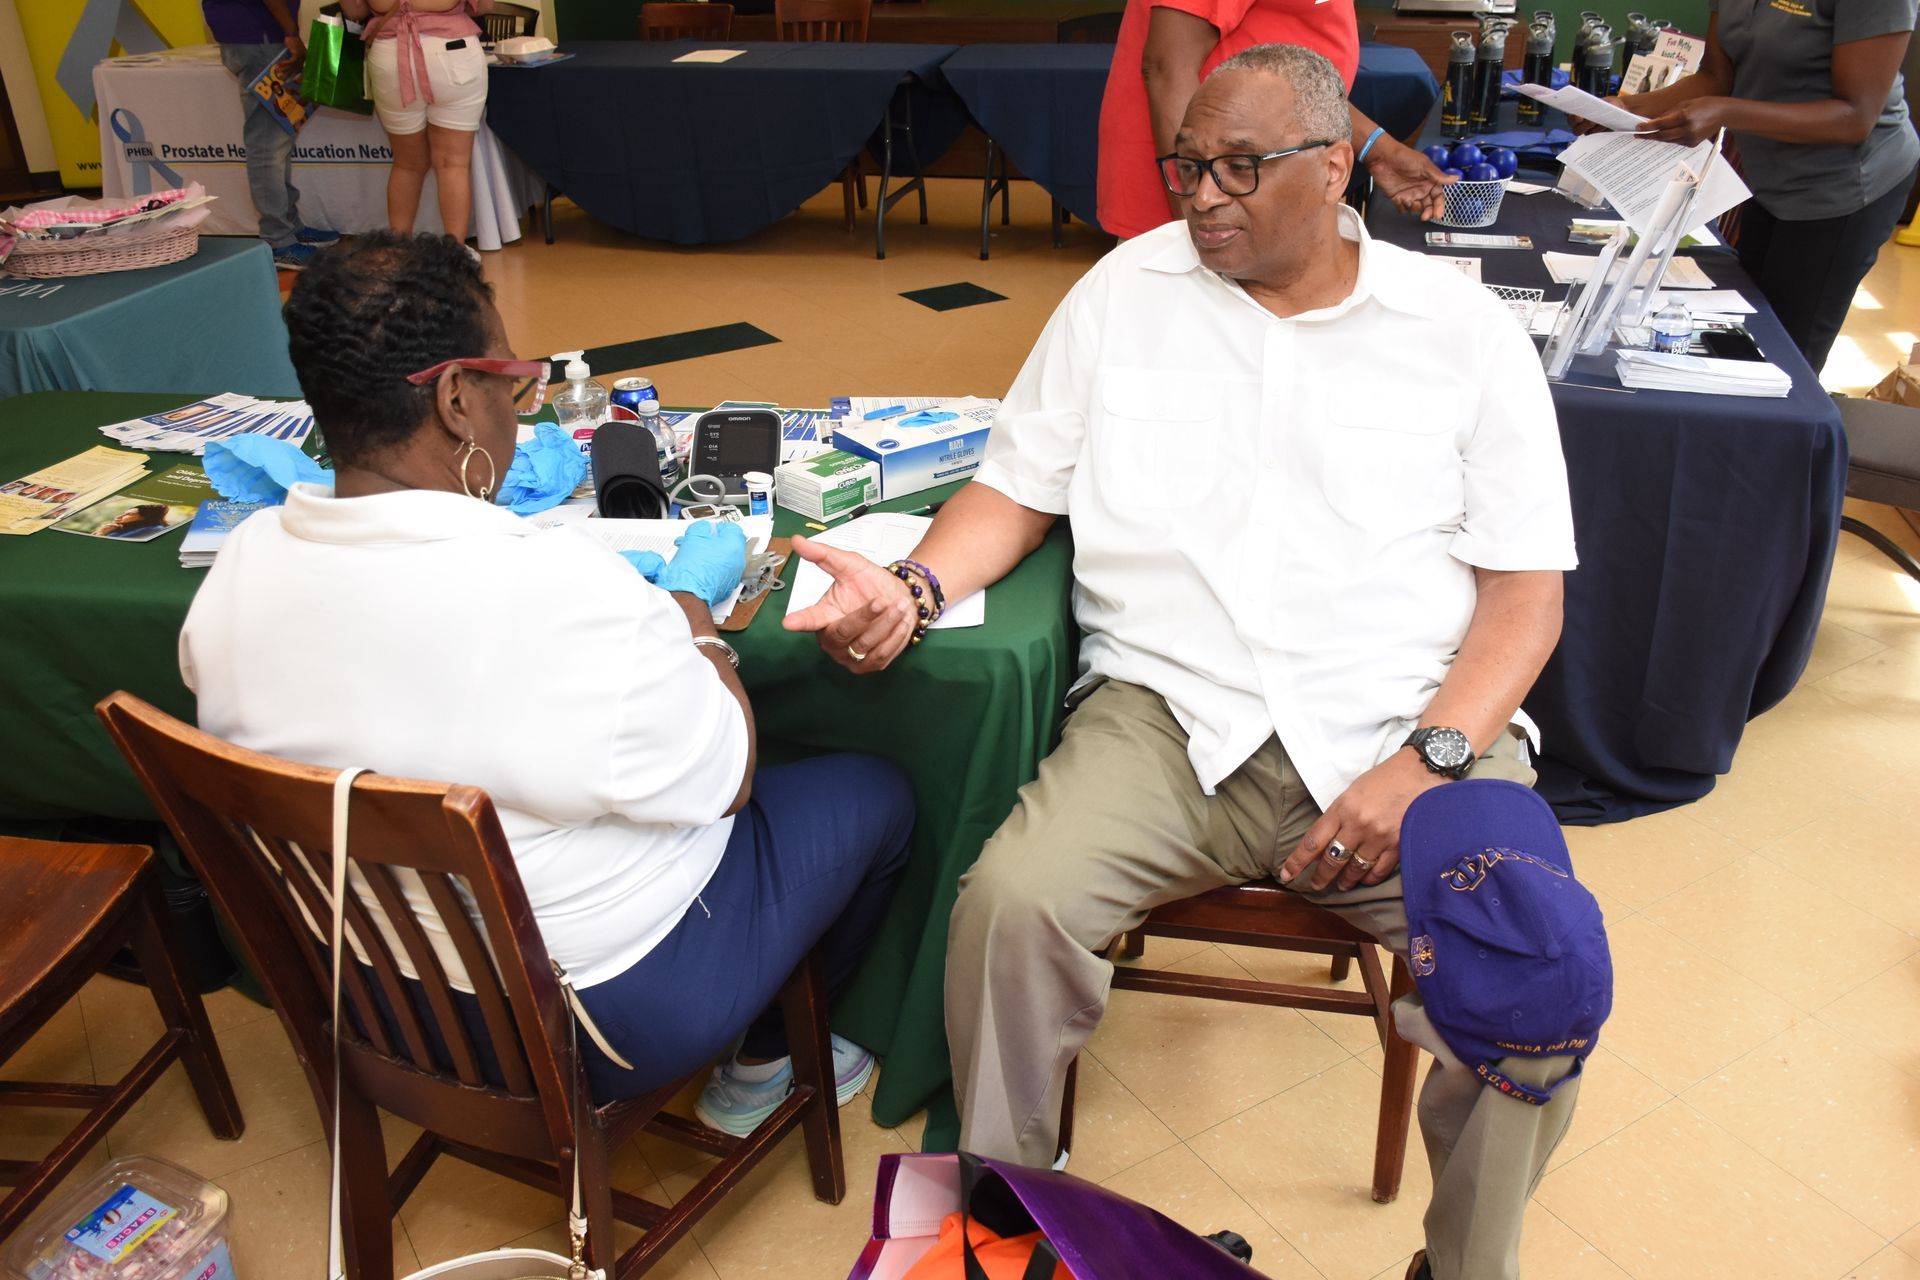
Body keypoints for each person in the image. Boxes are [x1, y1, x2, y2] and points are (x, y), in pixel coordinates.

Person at [789, 45, 1582, 1280]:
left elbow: (1527, 597)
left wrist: (1430, 759)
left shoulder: (1461, 332)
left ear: (1334, 171)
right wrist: (918, 583)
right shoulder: (1124, 292)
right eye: (1187, 167)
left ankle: (1465, 1268)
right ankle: (1013, 1230)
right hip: (1171, 717)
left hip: (1405, 726)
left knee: (1540, 982)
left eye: (1238, 169)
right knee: (1011, 906)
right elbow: (1016, 485)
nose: (1202, 196)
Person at [179, 233, 913, 1135]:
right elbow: (726, 782)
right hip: (598, 1022)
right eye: (513, 386)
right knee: (872, 794)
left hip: (371, 1000)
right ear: (456, 397)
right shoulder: (556, 587)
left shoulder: (242, 566)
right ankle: (762, 1066)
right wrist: (697, 628)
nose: (518, 418)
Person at [1611, 0, 1918, 373]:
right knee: (1745, 328)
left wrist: (1725, 111)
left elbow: (1855, 118)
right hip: (1767, 176)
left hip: (1842, 189)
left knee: (1785, 357)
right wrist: (1626, 109)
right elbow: (1716, 77)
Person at [1096, 0, 1452, 239]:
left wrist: (1378, 150)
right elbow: (1168, 67)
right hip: (1194, 197)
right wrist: (1199, 221)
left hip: (1246, 187)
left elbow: (1288, 82)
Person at [337, 0, 494, 249]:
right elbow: (483, 5)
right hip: (452, 53)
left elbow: (355, 11)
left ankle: (398, 252)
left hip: (390, 56)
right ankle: (454, 255)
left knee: (407, 165)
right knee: (452, 164)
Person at [200, 0, 341, 270]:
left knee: (278, 135)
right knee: (268, 143)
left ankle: (288, 227)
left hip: (255, 34)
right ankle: (279, 240)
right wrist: (290, 32)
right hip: (261, 35)